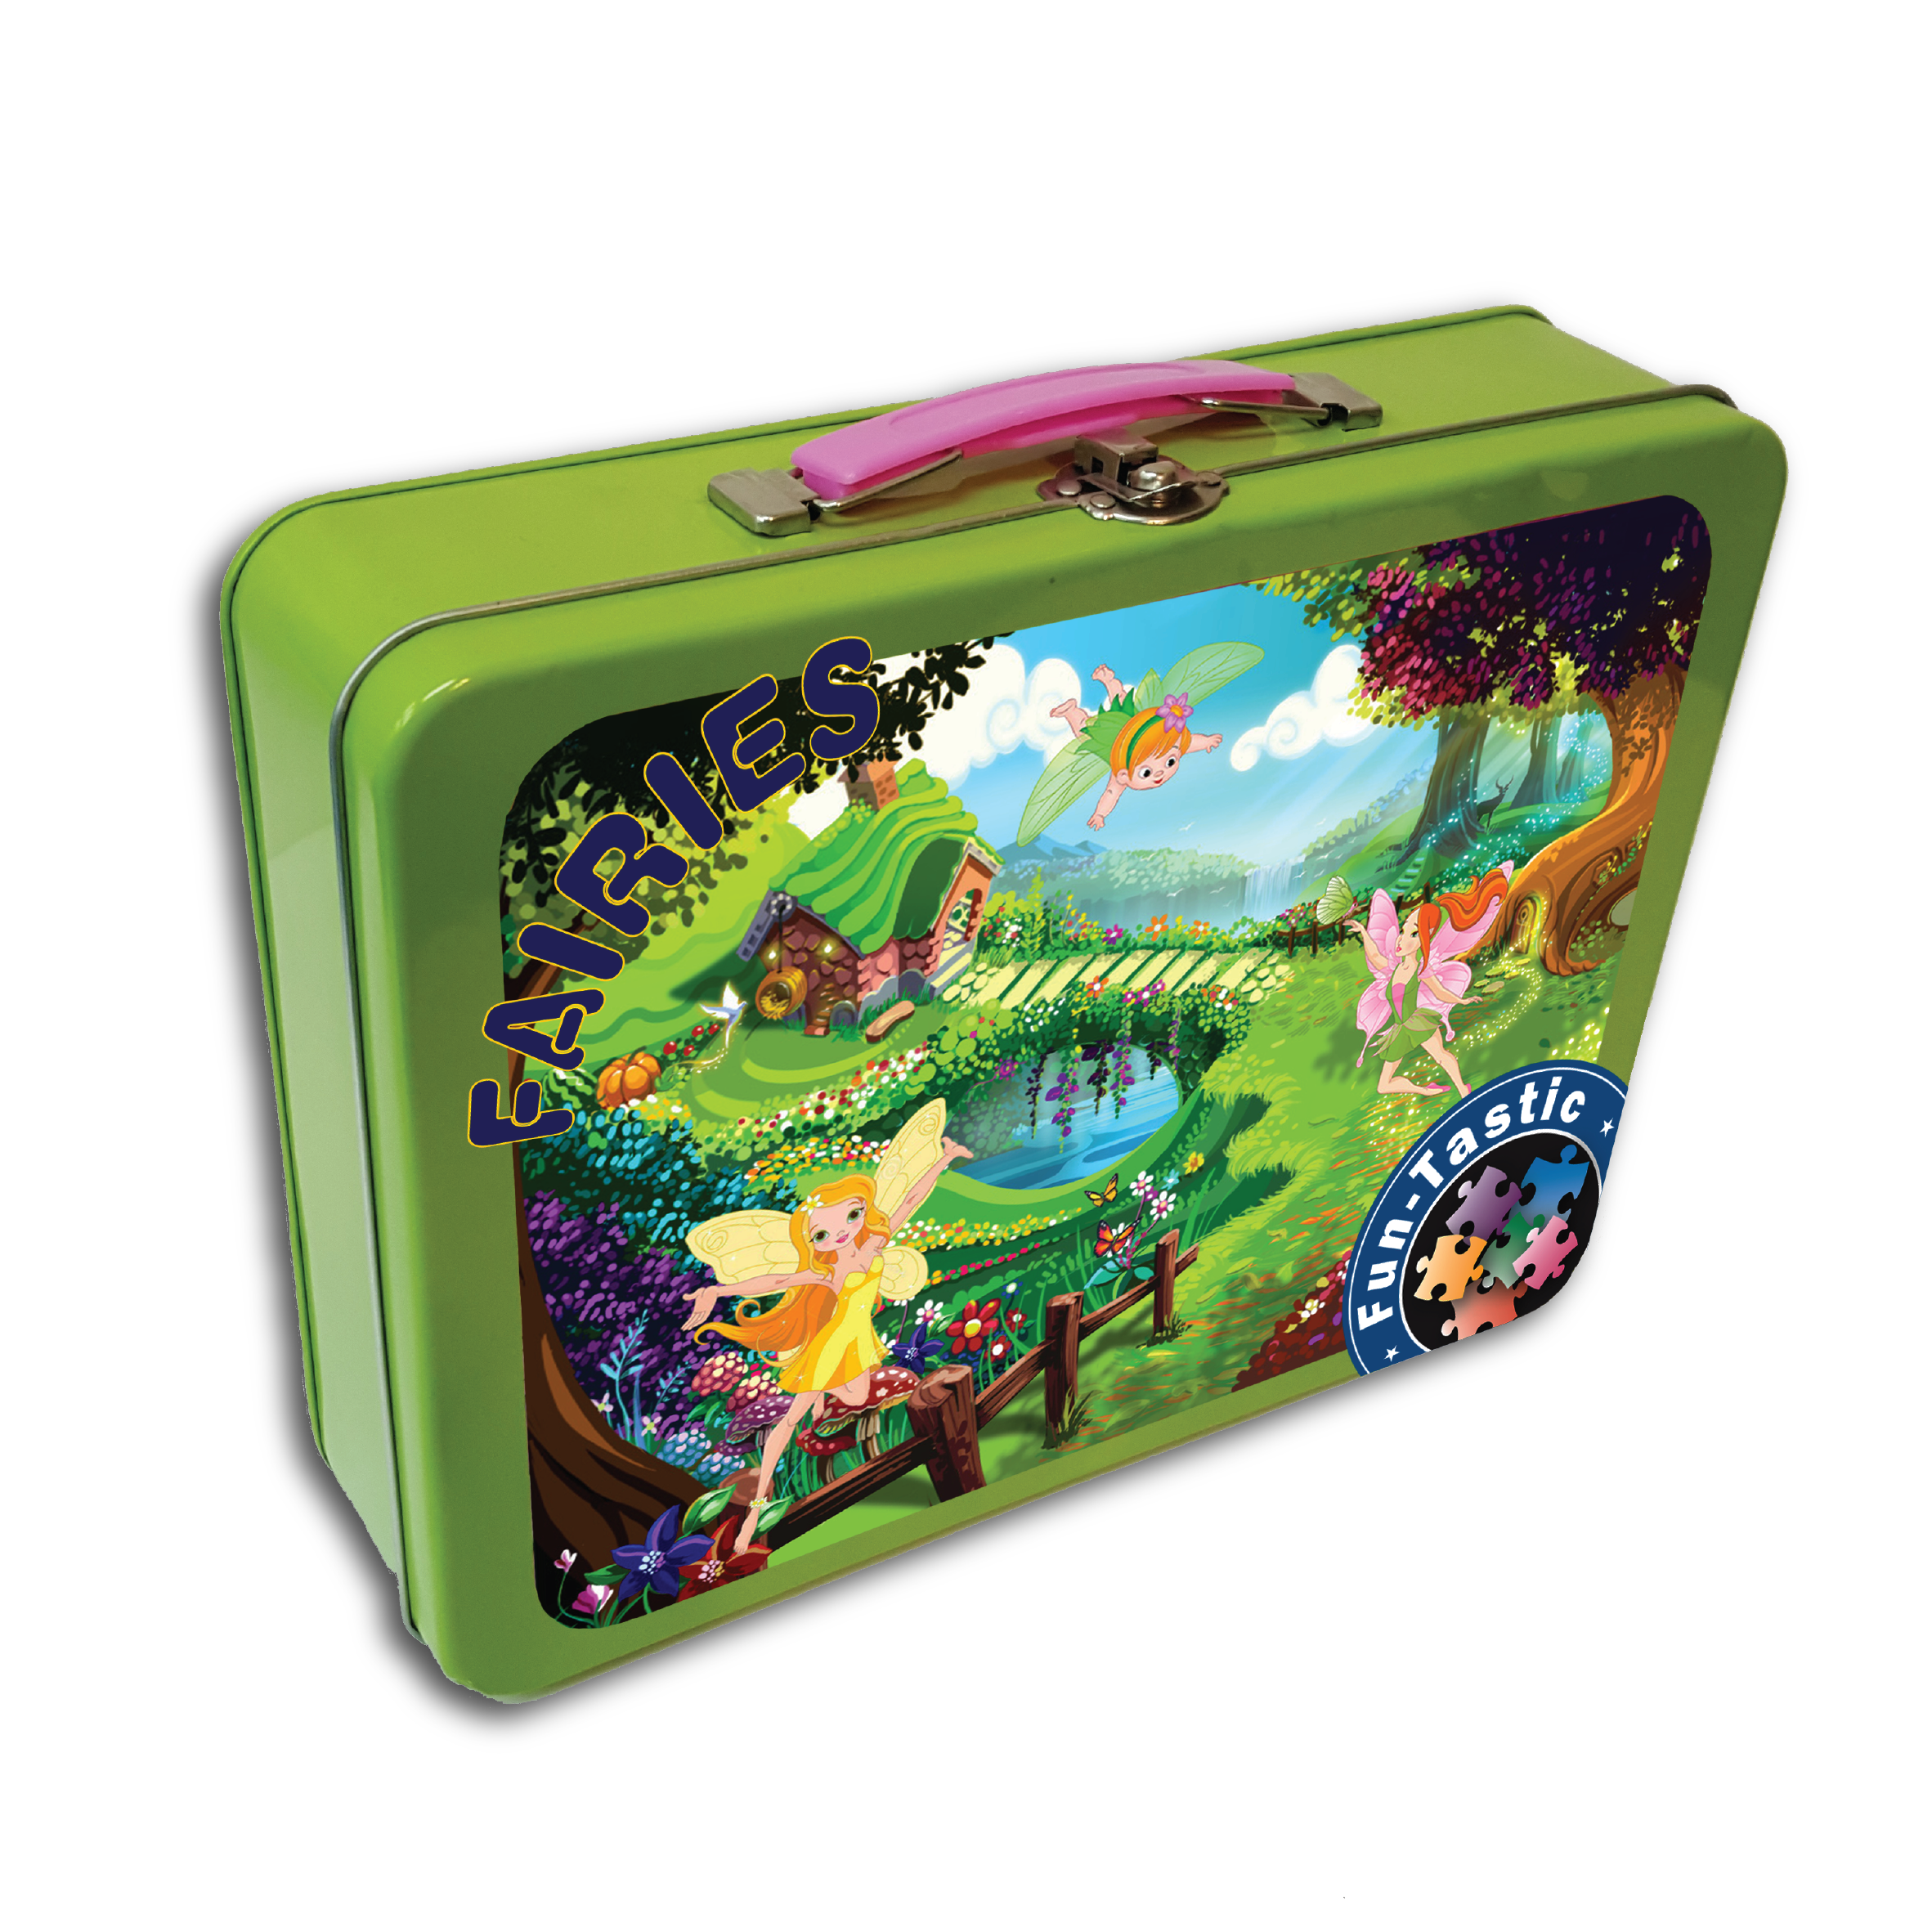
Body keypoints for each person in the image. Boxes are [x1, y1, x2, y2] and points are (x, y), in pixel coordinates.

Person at [680, 1101, 970, 1552]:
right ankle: (754, 1513)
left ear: (860, 1214)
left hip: (858, 1342)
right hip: (832, 1345)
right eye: (821, 1234)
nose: (838, 1235)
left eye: (850, 1218)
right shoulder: (828, 1270)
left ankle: (828, 1408)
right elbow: (776, 1280)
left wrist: (943, 1159)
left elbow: (910, 1200)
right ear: (814, 1240)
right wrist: (717, 1291)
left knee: (855, 1397)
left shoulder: (874, 1244)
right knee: (789, 1422)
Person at [1347, 864, 1513, 1098]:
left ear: (1423, 939)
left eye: (1413, 934)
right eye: (1403, 930)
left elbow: (1440, 991)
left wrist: (1462, 1001)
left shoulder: (1421, 969)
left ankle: (1464, 1092)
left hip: (1418, 1022)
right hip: (1401, 1029)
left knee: (1441, 1056)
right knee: (1384, 1086)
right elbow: (1374, 955)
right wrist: (1363, 931)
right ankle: (1426, 1090)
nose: (1402, 939)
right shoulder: (1394, 968)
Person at [1049, 666, 1223, 831]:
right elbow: (1111, 793)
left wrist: (1206, 741)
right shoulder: (1121, 773)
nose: (1160, 773)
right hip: (1112, 740)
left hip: (1136, 728)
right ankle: (1072, 710)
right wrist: (1100, 814)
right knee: (1087, 730)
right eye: (1145, 772)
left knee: (1122, 701)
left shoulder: (1165, 745)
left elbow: (1189, 743)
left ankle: (1099, 687)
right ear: (1124, 775)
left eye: (1170, 761)